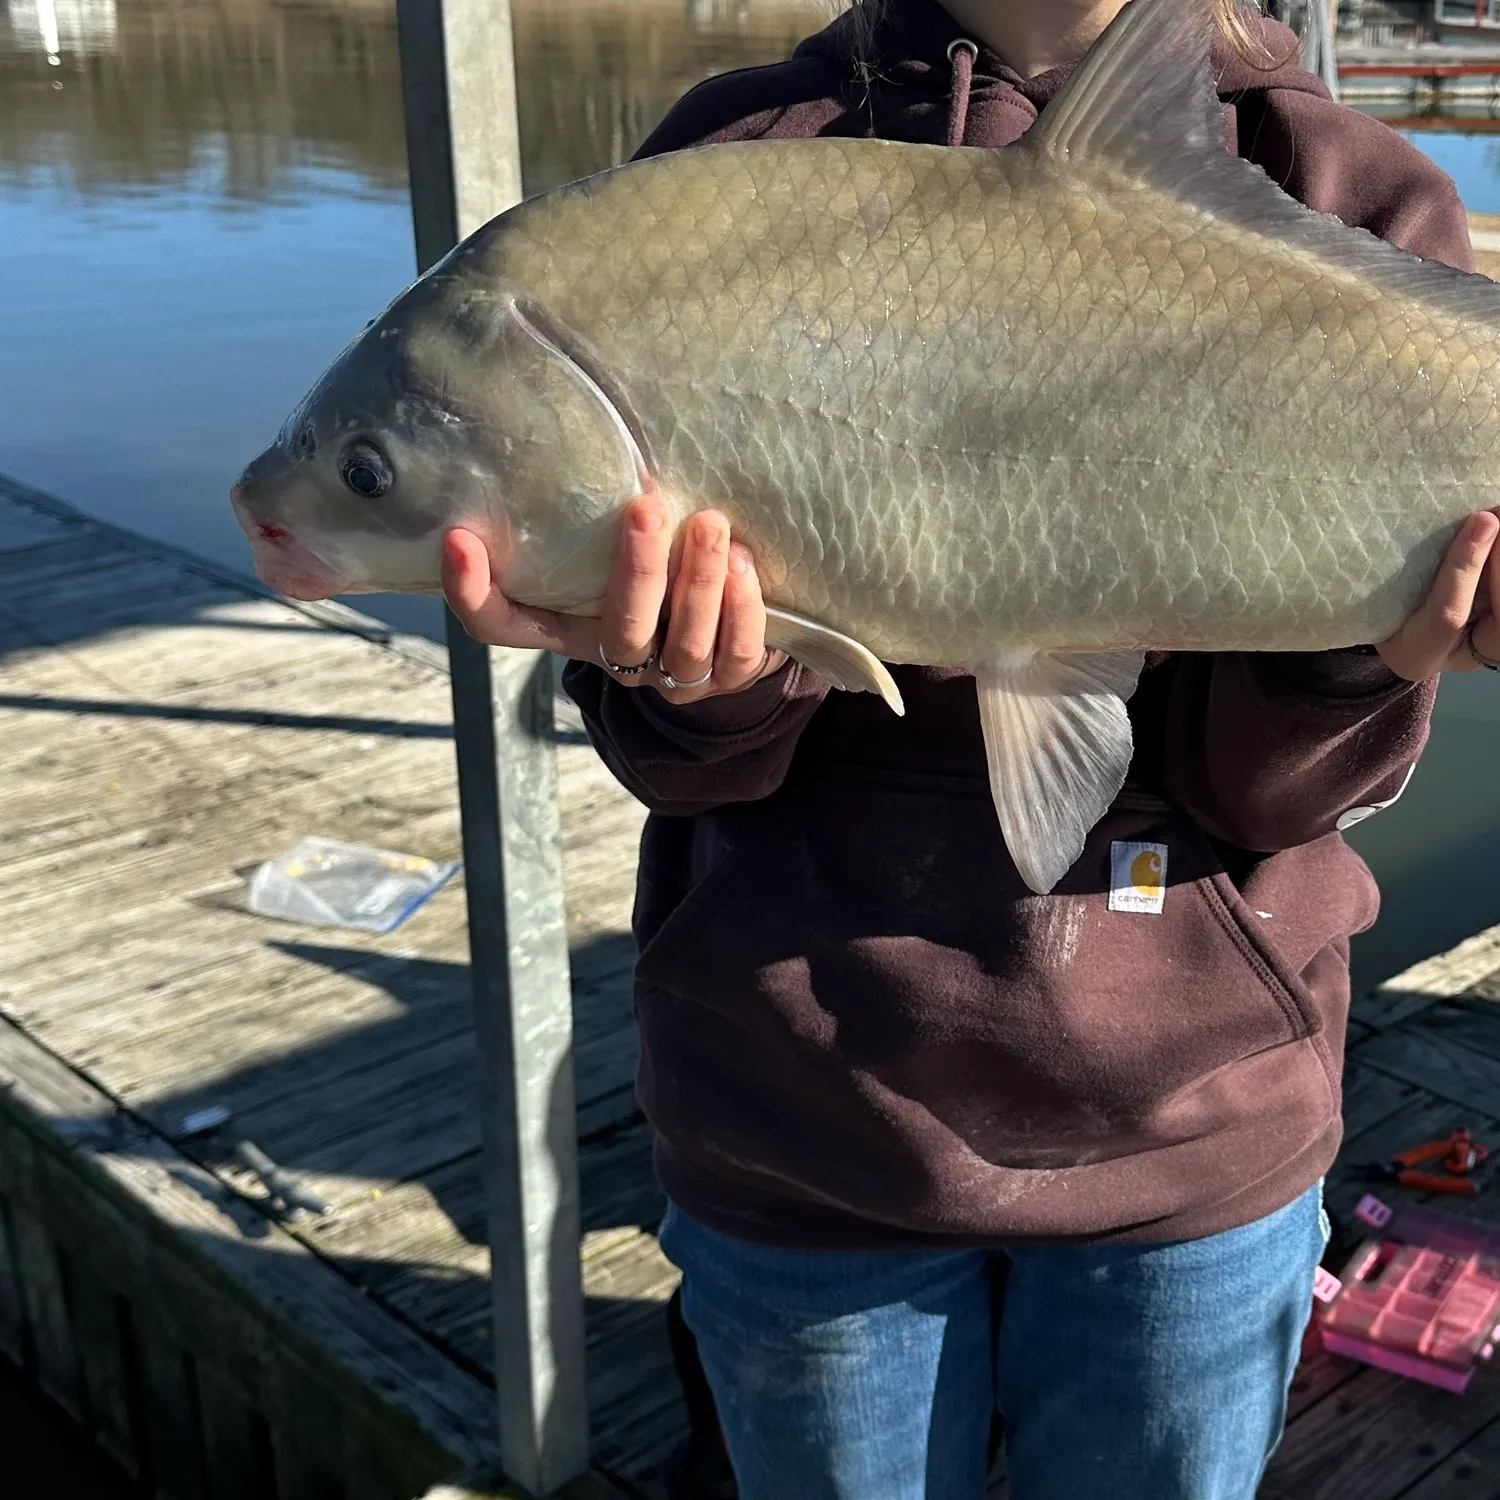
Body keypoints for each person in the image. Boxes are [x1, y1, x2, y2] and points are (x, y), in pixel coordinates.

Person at [442, 1, 1500, 1495]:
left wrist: (1368, 649)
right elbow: (680, 766)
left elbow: (1272, 798)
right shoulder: (734, 162)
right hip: (807, 1135)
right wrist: (695, 673)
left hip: (1199, 1144)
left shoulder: (1349, 192)